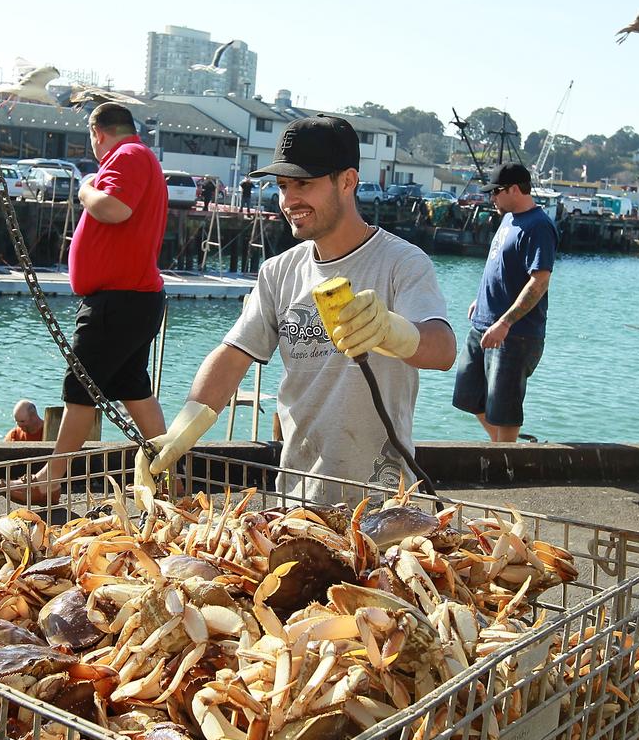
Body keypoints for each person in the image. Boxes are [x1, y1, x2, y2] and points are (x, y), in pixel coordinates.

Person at [137, 115, 457, 503]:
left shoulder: (402, 262)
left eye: (304, 183)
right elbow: (231, 356)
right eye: (283, 186)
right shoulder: (278, 272)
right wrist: (182, 429)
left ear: (348, 181)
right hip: (297, 495)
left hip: (383, 496)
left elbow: (443, 350)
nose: (289, 200)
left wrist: (393, 331)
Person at [31, 102, 169, 503]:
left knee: (81, 387)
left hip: (119, 299)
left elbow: (114, 208)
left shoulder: (125, 155)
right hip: (133, 297)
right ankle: (165, 476)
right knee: (133, 388)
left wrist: (86, 186)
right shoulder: (139, 157)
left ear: (98, 132)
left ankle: (49, 480)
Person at [452, 163, 557, 442]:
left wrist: (505, 322)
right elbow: (500, 267)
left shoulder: (539, 227)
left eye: (496, 191)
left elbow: (539, 282)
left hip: (515, 334)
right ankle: (501, 446)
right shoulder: (508, 218)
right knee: (468, 397)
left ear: (514, 189)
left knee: (505, 412)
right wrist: (481, 299)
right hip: (483, 323)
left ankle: (506, 460)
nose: (492, 197)